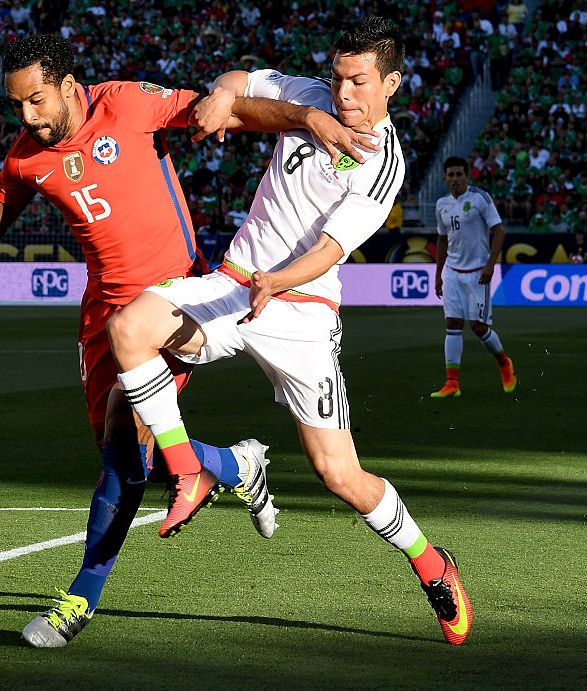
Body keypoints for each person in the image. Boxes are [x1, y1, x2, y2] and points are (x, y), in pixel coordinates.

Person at [0, 33, 379, 648]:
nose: (28, 117)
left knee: (126, 453)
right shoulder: (24, 159)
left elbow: (217, 108)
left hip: (170, 300)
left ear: (68, 87)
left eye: (35, 101)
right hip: (101, 312)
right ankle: (232, 464)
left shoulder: (128, 103)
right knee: (121, 457)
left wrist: (303, 115)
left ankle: (79, 600)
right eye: (17, 106)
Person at [106, 17, 472, 646]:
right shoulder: (305, 97)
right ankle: (188, 468)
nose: (343, 91)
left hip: (302, 313)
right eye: (337, 76)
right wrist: (224, 91)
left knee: (339, 475)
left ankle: (430, 561)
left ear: (392, 84)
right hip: (233, 284)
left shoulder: (382, 163)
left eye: (358, 81)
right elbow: (240, 79)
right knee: (130, 328)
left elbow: (329, 252)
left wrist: (276, 281)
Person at [431, 156, 516, 398]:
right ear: (445, 179)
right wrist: (438, 274)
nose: (455, 179)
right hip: (453, 274)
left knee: (478, 327)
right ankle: (452, 383)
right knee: (453, 324)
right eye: (451, 175)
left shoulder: (480, 198)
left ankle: (504, 363)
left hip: (478, 273)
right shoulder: (441, 204)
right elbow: (442, 239)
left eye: (460, 174)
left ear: (467, 176)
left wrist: (491, 264)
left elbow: (499, 231)